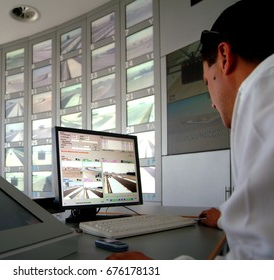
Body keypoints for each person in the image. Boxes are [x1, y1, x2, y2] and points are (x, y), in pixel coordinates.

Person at [107, 0, 274, 260]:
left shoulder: (260, 97)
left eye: (207, 82)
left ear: (224, 56)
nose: (212, 101)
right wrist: (229, 217)